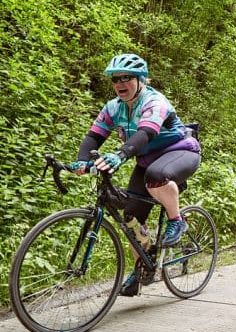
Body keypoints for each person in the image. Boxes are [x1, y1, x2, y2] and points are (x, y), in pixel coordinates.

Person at [70, 54, 201, 296]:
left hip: (181, 151)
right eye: (115, 79)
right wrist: (82, 160)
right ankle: (143, 267)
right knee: (130, 218)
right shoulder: (113, 107)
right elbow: (94, 137)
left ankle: (177, 220)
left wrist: (120, 155)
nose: (120, 83)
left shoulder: (154, 101)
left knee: (155, 175)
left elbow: (146, 134)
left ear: (141, 80)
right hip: (146, 159)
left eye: (127, 77)